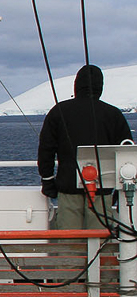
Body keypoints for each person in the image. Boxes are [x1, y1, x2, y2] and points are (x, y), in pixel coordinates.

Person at [37, 64, 133, 230]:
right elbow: (127, 154)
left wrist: (48, 181)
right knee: (99, 239)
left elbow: (46, 150)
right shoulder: (113, 115)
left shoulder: (59, 111)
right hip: (102, 191)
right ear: (100, 87)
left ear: (76, 85)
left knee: (70, 244)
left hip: (68, 189)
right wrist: (118, 189)